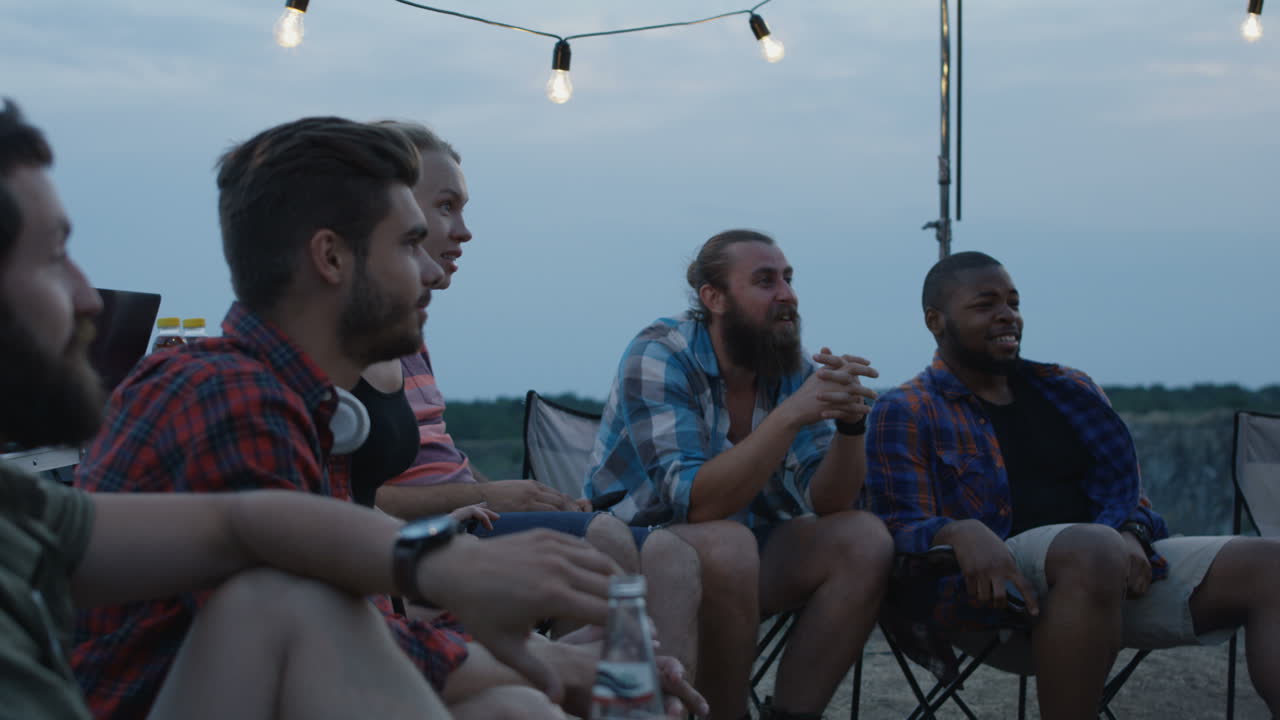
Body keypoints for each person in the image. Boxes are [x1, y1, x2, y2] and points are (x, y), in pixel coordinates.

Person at [0, 98, 619, 720]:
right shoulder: (231, 399)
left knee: (498, 699)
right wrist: (549, 662)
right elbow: (319, 614)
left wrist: (445, 571)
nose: (431, 268)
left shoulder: (284, 402)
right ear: (330, 258)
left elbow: (249, 527)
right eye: (409, 244)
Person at [348, 120, 707, 680]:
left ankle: (659, 706)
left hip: (462, 516)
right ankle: (591, 695)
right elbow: (339, 499)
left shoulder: (407, 334)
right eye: (446, 207)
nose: (463, 231)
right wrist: (489, 493)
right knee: (600, 541)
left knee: (673, 557)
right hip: (424, 539)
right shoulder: (337, 349)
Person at [864, 250, 1280, 719]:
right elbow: (895, 526)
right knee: (1092, 545)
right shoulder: (906, 408)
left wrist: (1133, 533)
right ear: (936, 321)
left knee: (1270, 563)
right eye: (985, 305)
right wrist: (955, 531)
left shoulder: (1070, 388)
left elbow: (1129, 497)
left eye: (1013, 302)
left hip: (1107, 578)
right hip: (994, 596)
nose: (1007, 315)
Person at [587, 229, 895, 720]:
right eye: (765, 281)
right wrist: (790, 415)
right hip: (638, 556)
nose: (787, 295)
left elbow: (830, 501)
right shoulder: (660, 353)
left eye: (789, 279)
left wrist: (851, 426)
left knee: (863, 538)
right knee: (727, 542)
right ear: (715, 298)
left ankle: (791, 714)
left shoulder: (787, 366)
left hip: (745, 556)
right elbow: (695, 502)